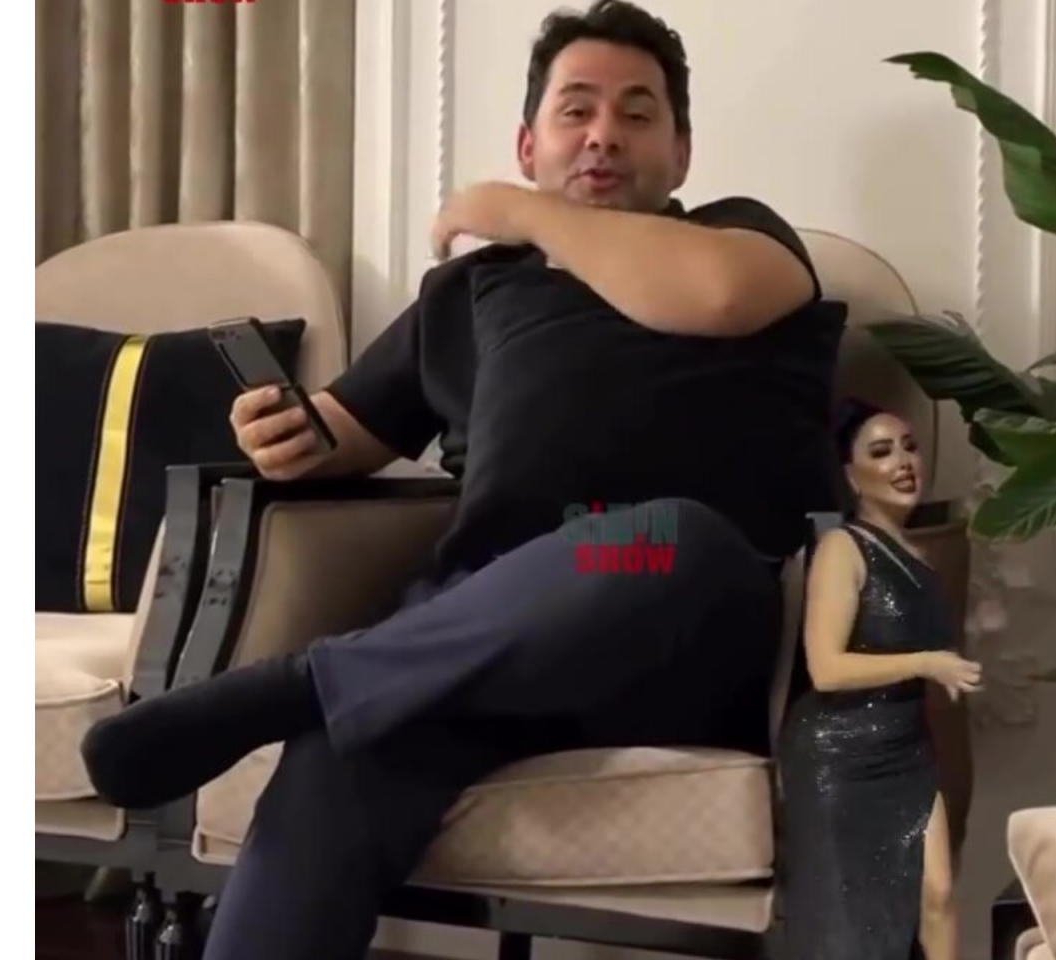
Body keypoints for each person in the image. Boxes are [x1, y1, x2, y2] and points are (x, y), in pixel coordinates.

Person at [81, 3, 847, 957]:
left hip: (682, 625)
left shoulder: (742, 239)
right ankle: (327, 695)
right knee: (344, 753)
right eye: (576, 110)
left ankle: (296, 684)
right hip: (479, 638)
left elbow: (717, 296)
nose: (604, 134)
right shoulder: (467, 295)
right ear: (531, 142)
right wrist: (283, 432)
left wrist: (516, 209)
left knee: (669, 537)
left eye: (638, 113)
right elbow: (345, 431)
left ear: (682, 154)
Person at [776, 399, 982, 960]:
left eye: (910, 447)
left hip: (906, 749)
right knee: (851, 925)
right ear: (852, 476)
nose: (904, 461)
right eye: (882, 451)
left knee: (938, 896)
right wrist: (926, 663)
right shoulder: (842, 548)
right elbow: (826, 669)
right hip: (839, 754)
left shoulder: (922, 558)